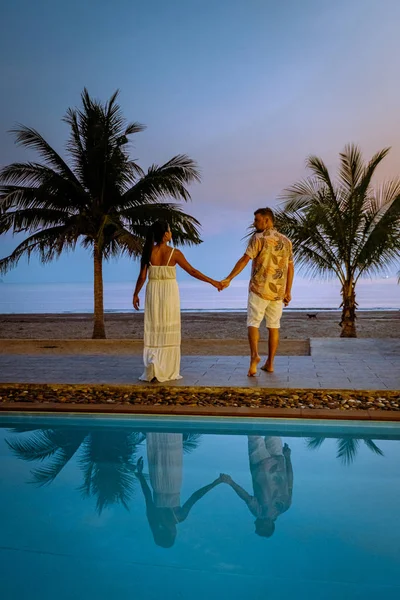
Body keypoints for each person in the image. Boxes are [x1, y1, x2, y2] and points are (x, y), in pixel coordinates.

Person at [133, 221, 222, 382]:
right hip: (169, 294)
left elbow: (142, 277)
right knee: (167, 327)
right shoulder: (174, 253)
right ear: (165, 234)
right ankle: (165, 369)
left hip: (153, 292)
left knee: (155, 329)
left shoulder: (148, 252)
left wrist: (135, 294)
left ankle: (154, 365)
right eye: (169, 229)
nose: (171, 232)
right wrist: (213, 281)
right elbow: (192, 271)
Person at [221, 207, 294, 376]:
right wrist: (288, 291)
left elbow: (245, 259)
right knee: (274, 326)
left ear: (267, 221)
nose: (254, 224)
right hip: (277, 292)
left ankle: (254, 357)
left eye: (257, 220)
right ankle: (270, 363)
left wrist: (229, 278)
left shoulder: (259, 238)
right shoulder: (286, 241)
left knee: (253, 322)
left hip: (259, 289)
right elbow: (290, 267)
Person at [135, 433, 223, 548]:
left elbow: (195, 496)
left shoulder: (179, 517)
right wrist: (140, 475)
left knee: (172, 449)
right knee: (158, 451)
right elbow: (147, 495)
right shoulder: (155, 517)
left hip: (173, 483)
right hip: (157, 482)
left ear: (172, 534)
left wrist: (216, 482)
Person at [220, 437, 293, 538]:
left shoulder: (286, 506)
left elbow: (290, 481)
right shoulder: (260, 513)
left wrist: (288, 458)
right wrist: (230, 482)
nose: (255, 524)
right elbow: (246, 498)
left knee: (271, 426)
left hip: (278, 460)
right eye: (257, 527)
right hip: (260, 464)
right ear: (267, 526)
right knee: (254, 431)